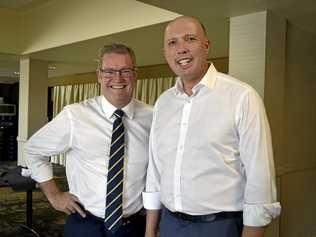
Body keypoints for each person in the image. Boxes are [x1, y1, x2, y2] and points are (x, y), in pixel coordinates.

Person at [143, 16, 281, 237]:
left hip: (220, 227)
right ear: (165, 53)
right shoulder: (162, 103)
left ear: (206, 46)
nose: (181, 49)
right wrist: (150, 230)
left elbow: (260, 179)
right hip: (169, 224)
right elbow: (156, 171)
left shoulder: (242, 97)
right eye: (173, 42)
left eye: (190, 39)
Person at [24, 43, 152, 237]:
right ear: (99, 75)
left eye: (125, 70)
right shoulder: (75, 116)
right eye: (109, 71)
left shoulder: (152, 117)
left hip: (134, 226)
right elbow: (33, 149)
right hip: (85, 223)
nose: (117, 78)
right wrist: (55, 196)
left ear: (135, 74)